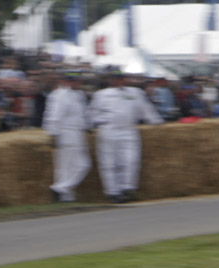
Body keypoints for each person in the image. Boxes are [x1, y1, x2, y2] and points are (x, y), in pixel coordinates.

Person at [88, 71, 163, 203]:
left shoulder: (135, 93)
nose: (118, 81)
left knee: (130, 160)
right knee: (108, 162)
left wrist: (155, 121)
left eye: (120, 78)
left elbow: (145, 108)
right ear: (110, 80)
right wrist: (98, 122)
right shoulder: (101, 95)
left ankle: (127, 188)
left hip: (129, 129)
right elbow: (92, 113)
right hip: (109, 130)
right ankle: (112, 192)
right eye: (115, 78)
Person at [43, 71, 91, 203]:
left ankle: (65, 195)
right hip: (66, 134)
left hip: (77, 133)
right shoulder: (61, 95)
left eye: (78, 80)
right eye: (73, 80)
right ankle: (60, 188)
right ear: (66, 81)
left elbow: (81, 115)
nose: (77, 83)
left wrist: (87, 125)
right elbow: (54, 116)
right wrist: (53, 134)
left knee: (67, 168)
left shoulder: (79, 95)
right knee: (81, 166)